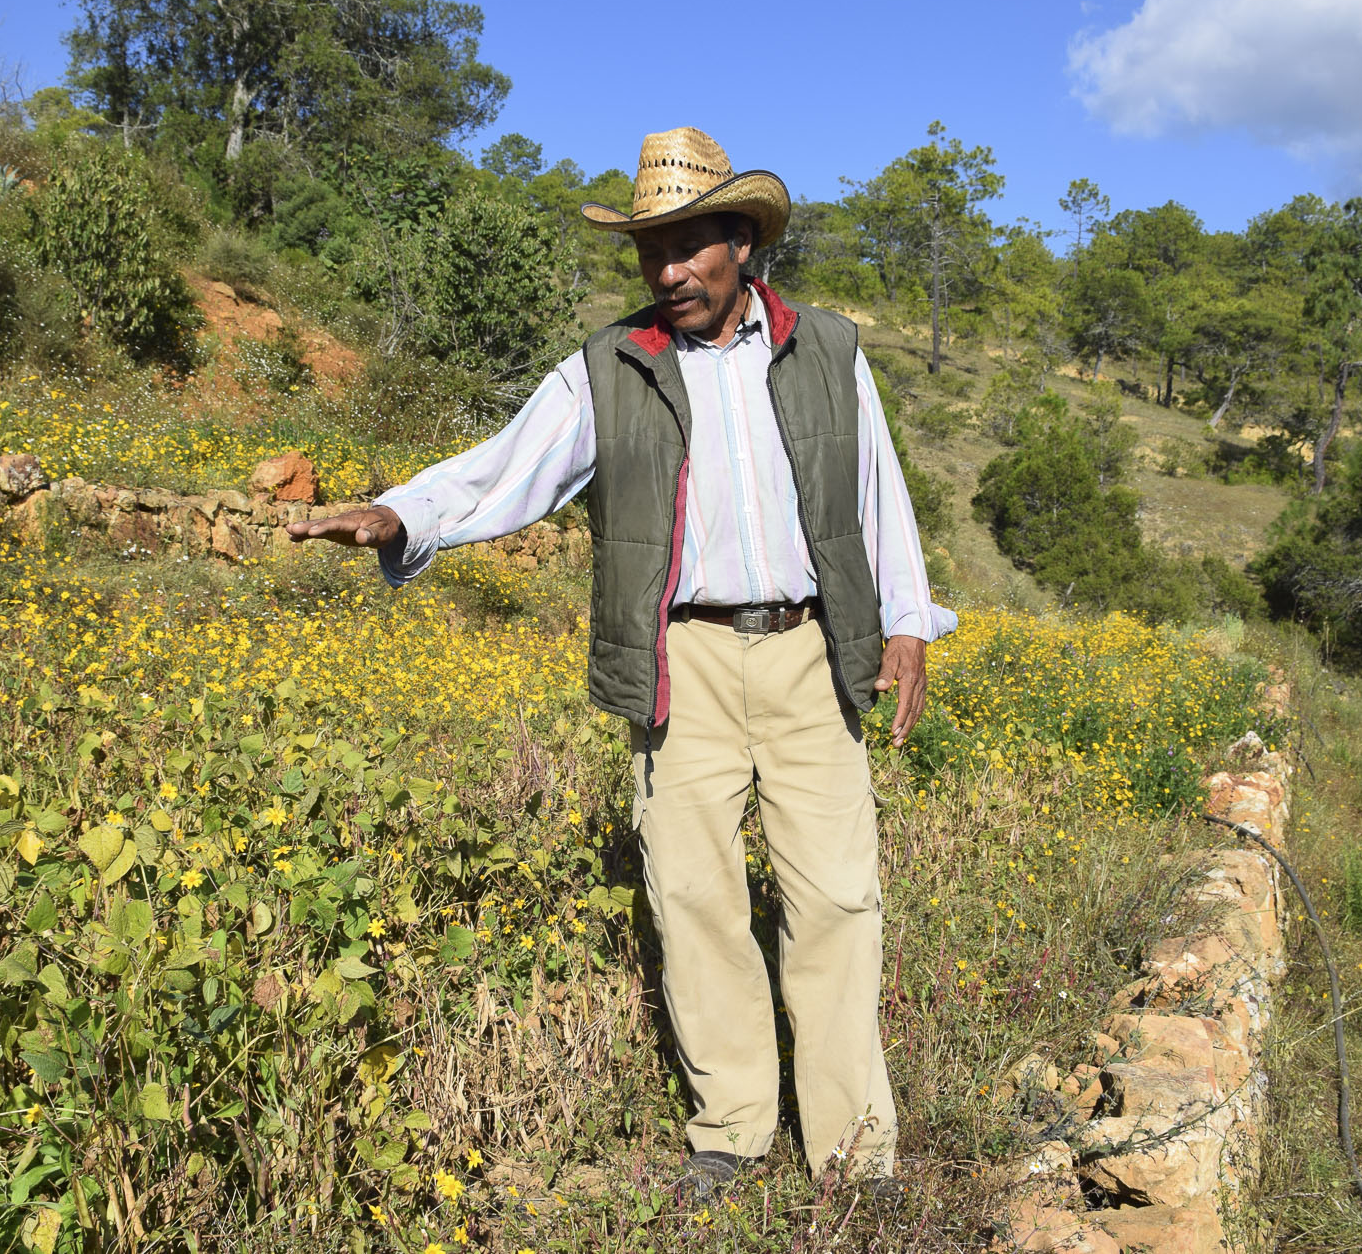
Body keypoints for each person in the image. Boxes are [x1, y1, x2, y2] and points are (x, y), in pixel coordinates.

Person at [288, 127, 959, 1194]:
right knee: (692, 898)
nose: (667, 272)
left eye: (688, 247)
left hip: (804, 651)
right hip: (677, 662)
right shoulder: (609, 367)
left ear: (740, 241)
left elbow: (879, 493)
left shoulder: (829, 350)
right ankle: (731, 1133)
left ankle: (851, 1154)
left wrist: (909, 623)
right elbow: (501, 471)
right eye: (650, 252)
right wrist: (398, 511)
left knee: (835, 899)